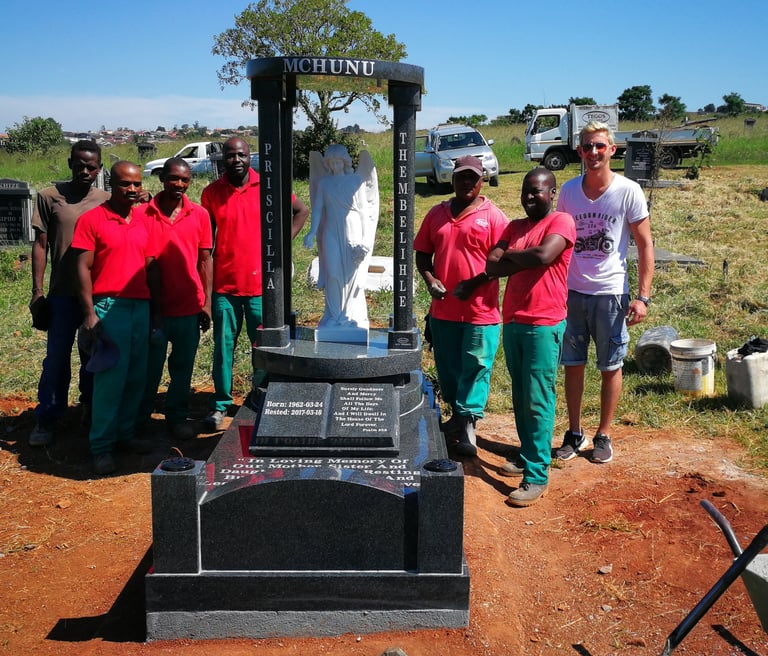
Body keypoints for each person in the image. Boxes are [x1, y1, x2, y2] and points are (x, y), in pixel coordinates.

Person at [555, 121, 654, 464]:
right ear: (578, 151)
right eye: (586, 147)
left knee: (610, 365)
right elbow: (560, 243)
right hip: (572, 292)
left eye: (599, 146)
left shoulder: (628, 191)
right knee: (573, 363)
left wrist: (642, 297)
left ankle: (604, 433)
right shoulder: (568, 192)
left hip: (611, 293)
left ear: (612, 150)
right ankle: (574, 431)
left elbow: (644, 244)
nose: (593, 152)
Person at [201, 137, 309, 431]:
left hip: (262, 287)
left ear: (251, 157)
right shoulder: (211, 193)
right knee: (223, 349)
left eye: (242, 155)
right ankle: (220, 405)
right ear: (222, 159)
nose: (236, 160)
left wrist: (282, 244)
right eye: (230, 155)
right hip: (225, 286)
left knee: (262, 347)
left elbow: (301, 211)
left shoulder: (268, 187)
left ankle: (259, 399)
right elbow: (205, 241)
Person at [486, 168, 575, 507]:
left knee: (538, 399)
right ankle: (527, 454)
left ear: (552, 193)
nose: (529, 197)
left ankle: (536, 475)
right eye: (526, 191)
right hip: (515, 321)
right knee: (521, 395)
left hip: (544, 323)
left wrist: (509, 256)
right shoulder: (514, 227)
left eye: (537, 191)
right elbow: (491, 266)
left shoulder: (561, 222)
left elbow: (544, 256)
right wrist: (515, 258)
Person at [414, 156, 508, 457]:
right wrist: (430, 280)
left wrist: (475, 283)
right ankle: (457, 416)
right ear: (451, 180)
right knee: (449, 368)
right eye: (461, 177)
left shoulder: (493, 216)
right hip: (444, 311)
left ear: (482, 180)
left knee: (477, 366)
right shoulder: (436, 214)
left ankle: (468, 424)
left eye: (473, 177)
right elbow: (422, 255)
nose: (467, 182)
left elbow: (505, 261)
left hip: (481, 311)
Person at [72, 161, 154, 475]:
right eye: (124, 184)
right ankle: (101, 446)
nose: (131, 190)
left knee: (136, 376)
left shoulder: (145, 218)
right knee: (110, 379)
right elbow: (82, 267)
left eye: (136, 184)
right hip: (108, 306)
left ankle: (126, 434)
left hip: (140, 306)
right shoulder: (92, 220)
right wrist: (90, 313)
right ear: (112, 184)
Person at [28, 140, 109, 446]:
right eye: (79, 165)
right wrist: (37, 291)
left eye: (91, 166)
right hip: (62, 292)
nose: (85, 171)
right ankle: (47, 416)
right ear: (69, 163)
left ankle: (89, 408)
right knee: (56, 358)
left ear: (99, 168)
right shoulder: (50, 198)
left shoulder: (105, 200)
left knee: (93, 355)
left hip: (96, 293)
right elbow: (40, 245)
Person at [138, 158, 213, 440]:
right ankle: (142, 417)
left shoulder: (199, 215)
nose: (179, 185)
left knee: (182, 367)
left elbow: (205, 260)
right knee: (149, 368)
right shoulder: (144, 213)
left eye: (184, 180)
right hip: (153, 307)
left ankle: (177, 416)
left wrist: (205, 302)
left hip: (187, 305)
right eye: (173, 179)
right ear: (161, 178)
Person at [304, 144, 378, 335]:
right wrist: (312, 232)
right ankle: (334, 316)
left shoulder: (356, 181)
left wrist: (364, 239)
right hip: (330, 232)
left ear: (344, 161)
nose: (335, 165)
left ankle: (350, 315)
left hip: (352, 229)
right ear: (327, 164)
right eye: (331, 162)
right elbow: (318, 209)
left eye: (338, 161)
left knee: (351, 274)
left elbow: (363, 212)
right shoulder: (324, 184)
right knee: (333, 273)